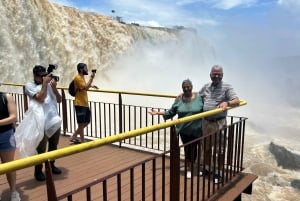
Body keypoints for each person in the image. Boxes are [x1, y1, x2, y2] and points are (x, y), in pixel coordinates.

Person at [148, 79, 203, 179]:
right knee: (188, 149)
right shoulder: (179, 99)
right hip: (184, 130)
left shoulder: (199, 97)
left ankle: (192, 167)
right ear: (182, 88)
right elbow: (171, 112)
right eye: (184, 87)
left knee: (195, 149)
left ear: (192, 87)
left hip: (197, 129)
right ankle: (189, 168)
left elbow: (207, 106)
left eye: (188, 87)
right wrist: (158, 113)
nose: (186, 89)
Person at [199, 65, 239, 184]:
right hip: (206, 122)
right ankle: (207, 168)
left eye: (219, 74)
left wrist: (227, 103)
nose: (216, 76)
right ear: (210, 74)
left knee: (219, 150)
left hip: (218, 123)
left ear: (222, 75)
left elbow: (236, 100)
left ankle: (219, 173)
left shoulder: (227, 87)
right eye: (214, 74)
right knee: (206, 147)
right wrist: (184, 95)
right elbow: (198, 96)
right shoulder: (206, 86)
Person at [25, 65, 63, 181]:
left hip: (54, 120)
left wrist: (55, 88)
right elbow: (40, 98)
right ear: (35, 76)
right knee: (41, 149)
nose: (44, 78)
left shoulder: (50, 84)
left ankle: (52, 166)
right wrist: (45, 84)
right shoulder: (29, 86)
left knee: (53, 145)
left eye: (45, 75)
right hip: (41, 122)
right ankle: (38, 171)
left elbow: (59, 99)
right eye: (41, 76)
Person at [70, 63, 98, 143]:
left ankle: (74, 136)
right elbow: (85, 87)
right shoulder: (78, 78)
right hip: (79, 103)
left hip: (84, 103)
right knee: (81, 124)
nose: (87, 69)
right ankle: (82, 141)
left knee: (87, 122)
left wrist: (91, 85)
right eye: (86, 68)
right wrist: (91, 78)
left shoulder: (82, 78)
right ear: (81, 69)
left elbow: (84, 88)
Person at [0, 92, 21, 200]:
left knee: (9, 166)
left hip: (5, 135)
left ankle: (13, 191)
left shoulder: (6, 97)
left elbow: (13, 117)